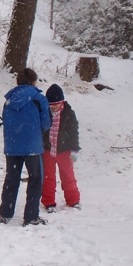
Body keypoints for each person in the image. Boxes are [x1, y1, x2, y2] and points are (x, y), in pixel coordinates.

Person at [0, 68, 51, 226]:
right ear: (34, 82)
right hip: (32, 146)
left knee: (11, 179)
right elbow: (46, 123)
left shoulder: (8, 100)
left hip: (12, 146)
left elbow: (6, 122)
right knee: (35, 179)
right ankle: (30, 216)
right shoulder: (38, 98)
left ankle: (5, 214)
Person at [42, 84, 81, 213]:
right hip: (48, 149)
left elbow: (74, 132)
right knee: (48, 177)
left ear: (62, 102)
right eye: (50, 105)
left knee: (68, 175)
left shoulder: (69, 114)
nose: (53, 107)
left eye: (56, 105)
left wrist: (74, 150)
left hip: (64, 150)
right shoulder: (45, 112)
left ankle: (73, 200)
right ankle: (49, 202)